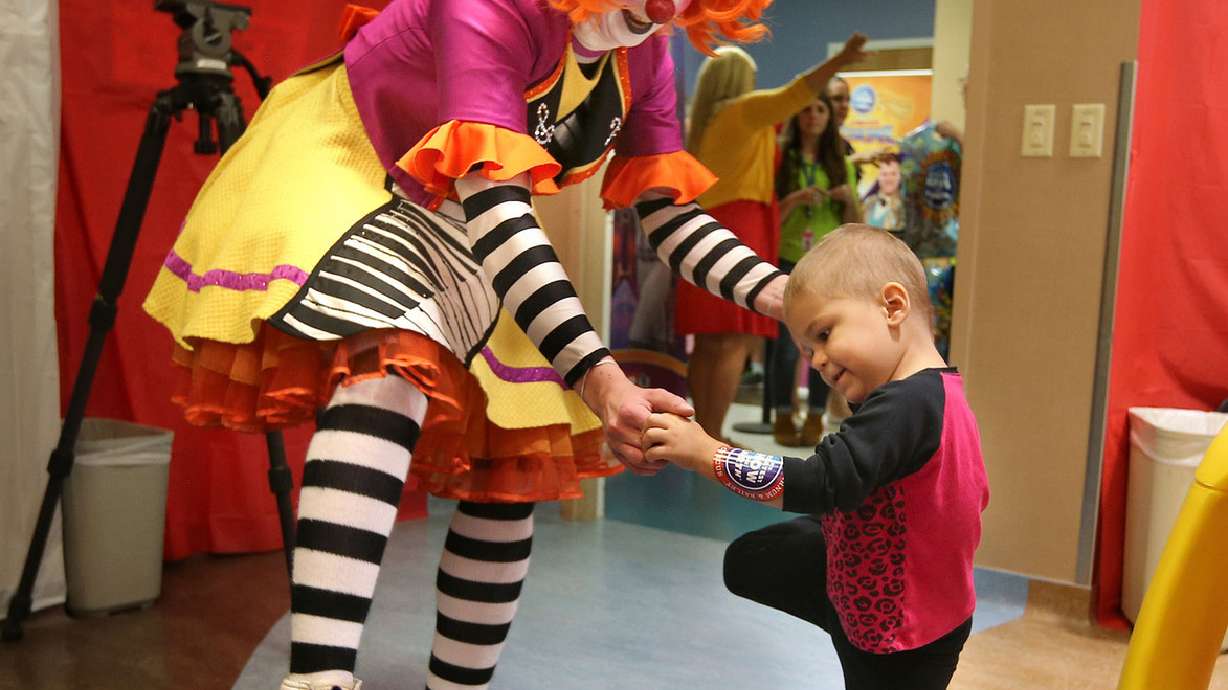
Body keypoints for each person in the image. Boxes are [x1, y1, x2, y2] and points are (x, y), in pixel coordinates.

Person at [141, 2, 793, 689]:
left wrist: (787, 295)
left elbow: (668, 214)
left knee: (514, 440)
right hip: (359, 159)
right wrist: (602, 381)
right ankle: (319, 679)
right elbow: (499, 210)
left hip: (469, 202)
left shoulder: (648, 52)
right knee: (389, 367)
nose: (665, 7)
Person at [643, 224, 989, 690]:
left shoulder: (902, 407)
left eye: (825, 334)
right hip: (925, 610)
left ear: (893, 305)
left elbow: (819, 484)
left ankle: (840, 603)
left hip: (895, 633)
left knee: (756, 557)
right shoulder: (942, 392)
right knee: (748, 560)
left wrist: (706, 453)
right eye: (808, 349)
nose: (818, 361)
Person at [675, 33, 870, 442]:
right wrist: (840, 61)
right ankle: (711, 436)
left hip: (702, 226)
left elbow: (794, 112)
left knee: (710, 341)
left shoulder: (712, 123)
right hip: (739, 226)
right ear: (737, 81)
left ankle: (705, 433)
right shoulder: (741, 112)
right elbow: (797, 94)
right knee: (732, 340)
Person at [771, 94, 860, 447]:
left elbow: (857, 225)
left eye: (820, 109)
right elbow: (770, 219)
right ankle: (782, 413)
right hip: (787, 259)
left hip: (828, 266)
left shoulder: (841, 163)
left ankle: (814, 417)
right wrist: (795, 199)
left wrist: (846, 199)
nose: (813, 116)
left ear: (830, 118)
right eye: (806, 108)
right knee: (786, 346)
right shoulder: (783, 161)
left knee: (827, 346)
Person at [863, 152, 904, 235]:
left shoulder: (908, 207)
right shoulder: (868, 202)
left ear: (900, 176)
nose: (889, 179)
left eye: (893, 174)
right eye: (884, 174)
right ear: (878, 177)